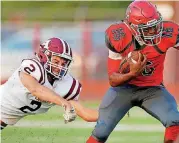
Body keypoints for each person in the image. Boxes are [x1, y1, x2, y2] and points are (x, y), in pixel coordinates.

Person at [86, 1, 179, 143]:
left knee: (175, 121)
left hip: (153, 89)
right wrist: (132, 74)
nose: (154, 31)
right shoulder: (118, 36)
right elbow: (113, 79)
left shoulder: (168, 32)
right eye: (148, 28)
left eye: (155, 25)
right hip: (123, 89)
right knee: (101, 132)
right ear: (132, 27)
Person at [0, 37, 81, 130]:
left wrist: (101, 117)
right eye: (56, 61)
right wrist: (64, 103)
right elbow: (36, 89)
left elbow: (85, 113)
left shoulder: (65, 83)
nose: (59, 67)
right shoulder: (33, 67)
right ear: (44, 56)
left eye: (63, 64)